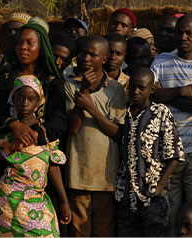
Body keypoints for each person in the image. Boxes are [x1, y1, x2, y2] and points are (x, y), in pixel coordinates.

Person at [151, 14, 192, 210]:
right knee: (168, 212)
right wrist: (182, 91)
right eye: (179, 32)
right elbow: (152, 95)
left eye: (189, 33)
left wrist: (168, 95)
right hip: (166, 149)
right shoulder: (161, 61)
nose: (183, 37)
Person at [64, 35, 126, 237]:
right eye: (83, 53)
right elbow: (72, 128)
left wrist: (90, 106)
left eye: (92, 54)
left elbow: (118, 133)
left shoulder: (116, 89)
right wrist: (85, 90)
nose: (86, 58)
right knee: (79, 231)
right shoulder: (70, 85)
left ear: (105, 58)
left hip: (106, 175)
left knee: (103, 231)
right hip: (78, 173)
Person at [0, 78, 67, 237]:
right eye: (20, 97)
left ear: (39, 101)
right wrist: (8, 151)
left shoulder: (46, 132)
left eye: (31, 99)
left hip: (37, 197)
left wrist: (64, 201)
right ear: (13, 99)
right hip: (7, 198)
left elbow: (53, 166)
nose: (25, 103)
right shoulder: (4, 131)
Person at [114, 67, 181, 237]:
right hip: (127, 195)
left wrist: (159, 187)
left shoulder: (161, 112)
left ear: (151, 89)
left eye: (141, 88)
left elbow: (174, 154)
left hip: (152, 195)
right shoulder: (125, 113)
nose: (135, 92)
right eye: (132, 87)